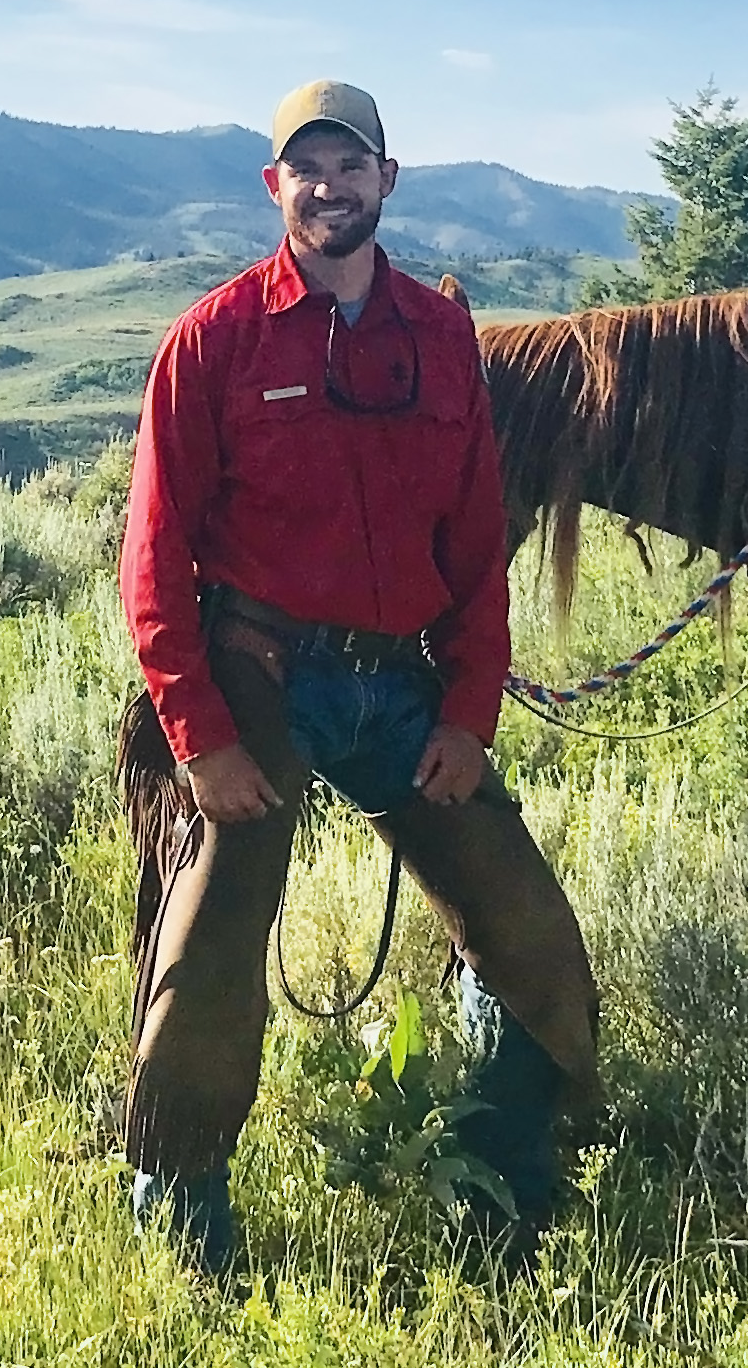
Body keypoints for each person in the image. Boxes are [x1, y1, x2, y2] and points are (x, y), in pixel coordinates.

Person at [118, 79, 600, 1275]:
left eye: (352, 165)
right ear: (275, 188)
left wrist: (470, 709)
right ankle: (177, 1223)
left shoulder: (442, 341)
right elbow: (155, 555)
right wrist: (200, 734)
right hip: (258, 672)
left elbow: (480, 547)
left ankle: (498, 1193)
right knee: (214, 942)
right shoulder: (214, 339)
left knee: (529, 923)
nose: (329, 186)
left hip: (400, 685)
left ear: (390, 179)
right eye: (306, 168)